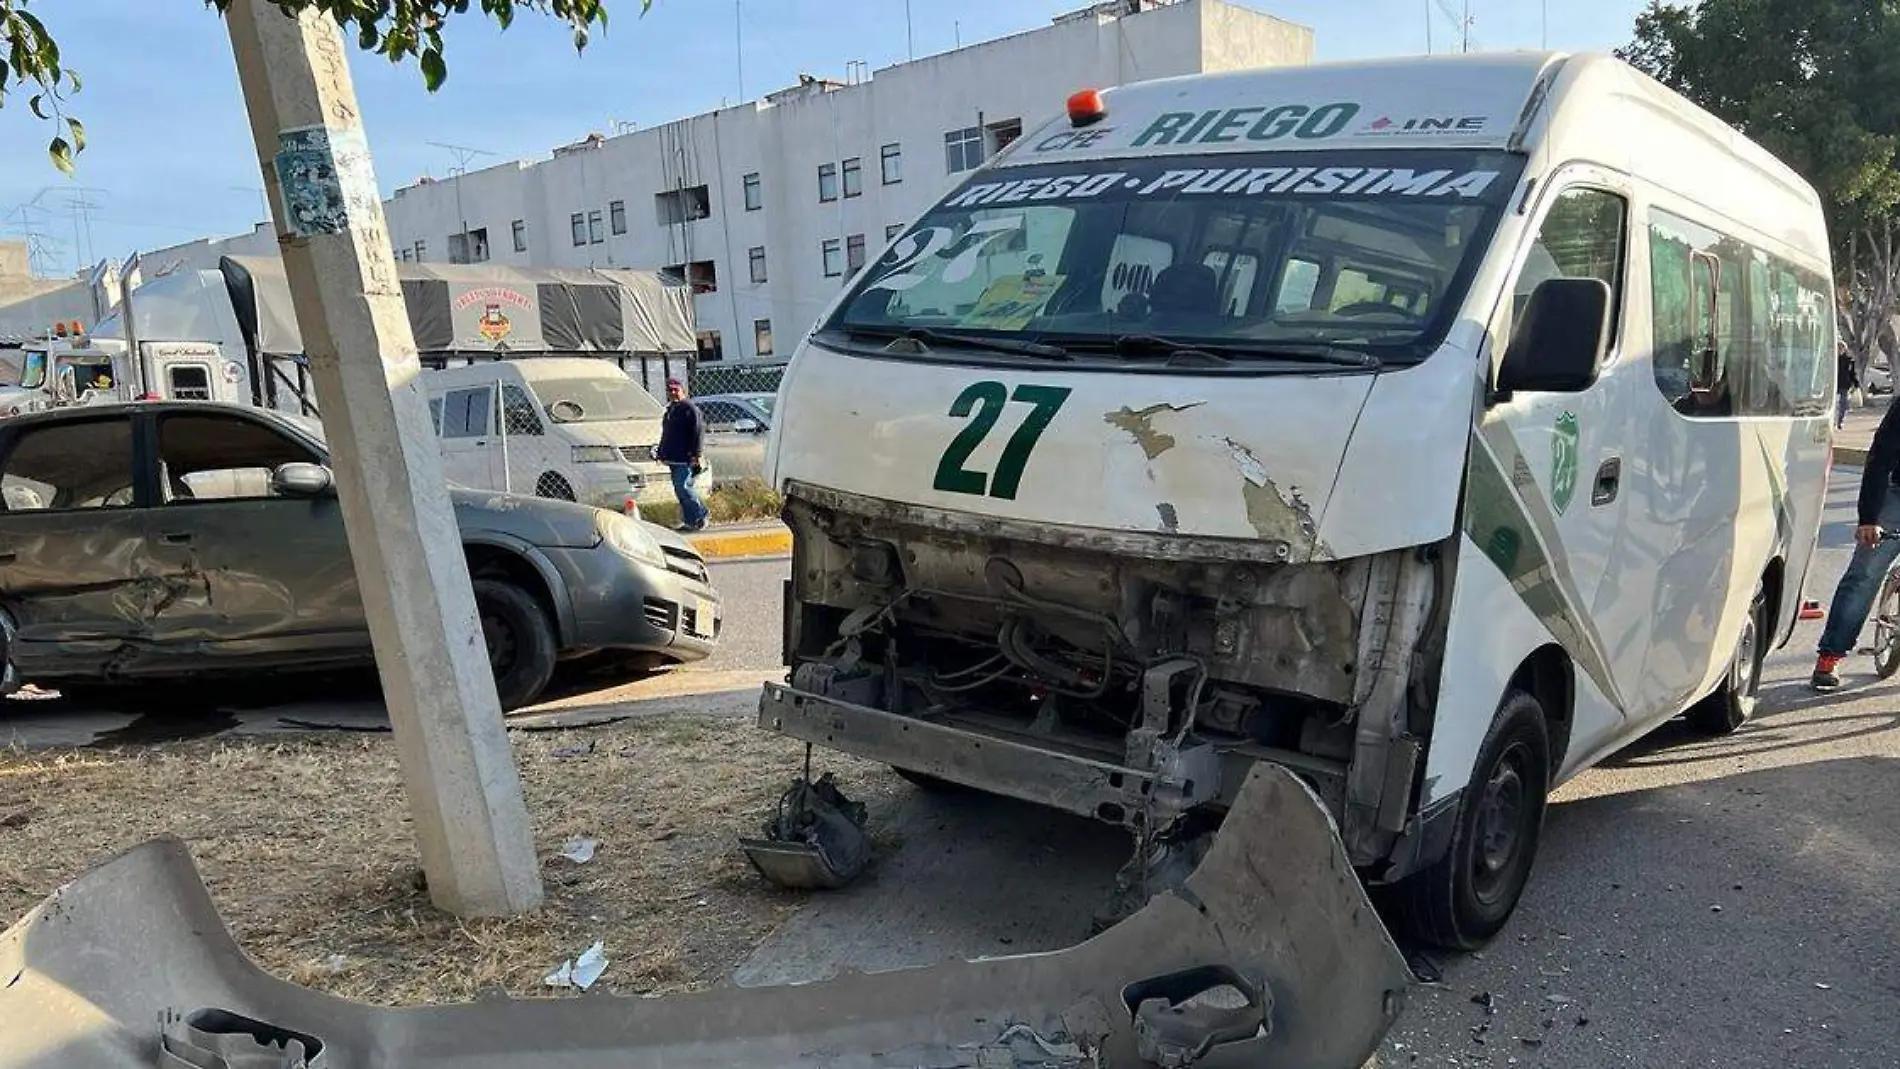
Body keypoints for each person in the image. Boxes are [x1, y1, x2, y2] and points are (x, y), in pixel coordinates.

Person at [1812, 396, 1900, 691]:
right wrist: (1868, 518)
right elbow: (1880, 459)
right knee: (1865, 573)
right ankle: (1830, 655)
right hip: (1896, 498)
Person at [656, 378, 708, 533]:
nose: (672, 393)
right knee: (680, 490)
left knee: (683, 487)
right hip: (673, 458)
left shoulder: (689, 409)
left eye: (675, 390)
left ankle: (700, 515)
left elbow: (698, 432)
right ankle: (690, 520)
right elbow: (667, 434)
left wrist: (695, 454)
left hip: (686, 458)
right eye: (670, 390)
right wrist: (661, 452)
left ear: (682, 391)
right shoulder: (670, 410)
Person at [1837, 344, 1859, 430]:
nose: (1840, 350)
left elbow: (1852, 374)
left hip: (1844, 385)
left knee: (1844, 404)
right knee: (1836, 404)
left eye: (1841, 348)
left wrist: (1856, 384)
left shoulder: (1849, 361)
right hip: (1834, 384)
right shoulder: (1833, 359)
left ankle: (1840, 422)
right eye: (1839, 348)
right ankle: (1835, 421)